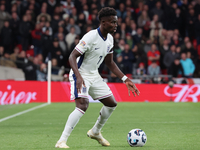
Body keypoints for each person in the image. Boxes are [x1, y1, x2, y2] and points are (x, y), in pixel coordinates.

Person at [55, 7, 140, 148]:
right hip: (80, 73)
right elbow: (72, 56)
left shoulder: (110, 40)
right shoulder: (90, 37)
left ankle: (95, 131)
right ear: (103, 22)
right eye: (113, 22)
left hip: (94, 75)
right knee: (82, 105)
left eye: (116, 22)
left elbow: (110, 63)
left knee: (111, 103)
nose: (115, 25)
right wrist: (78, 77)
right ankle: (61, 141)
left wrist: (125, 79)